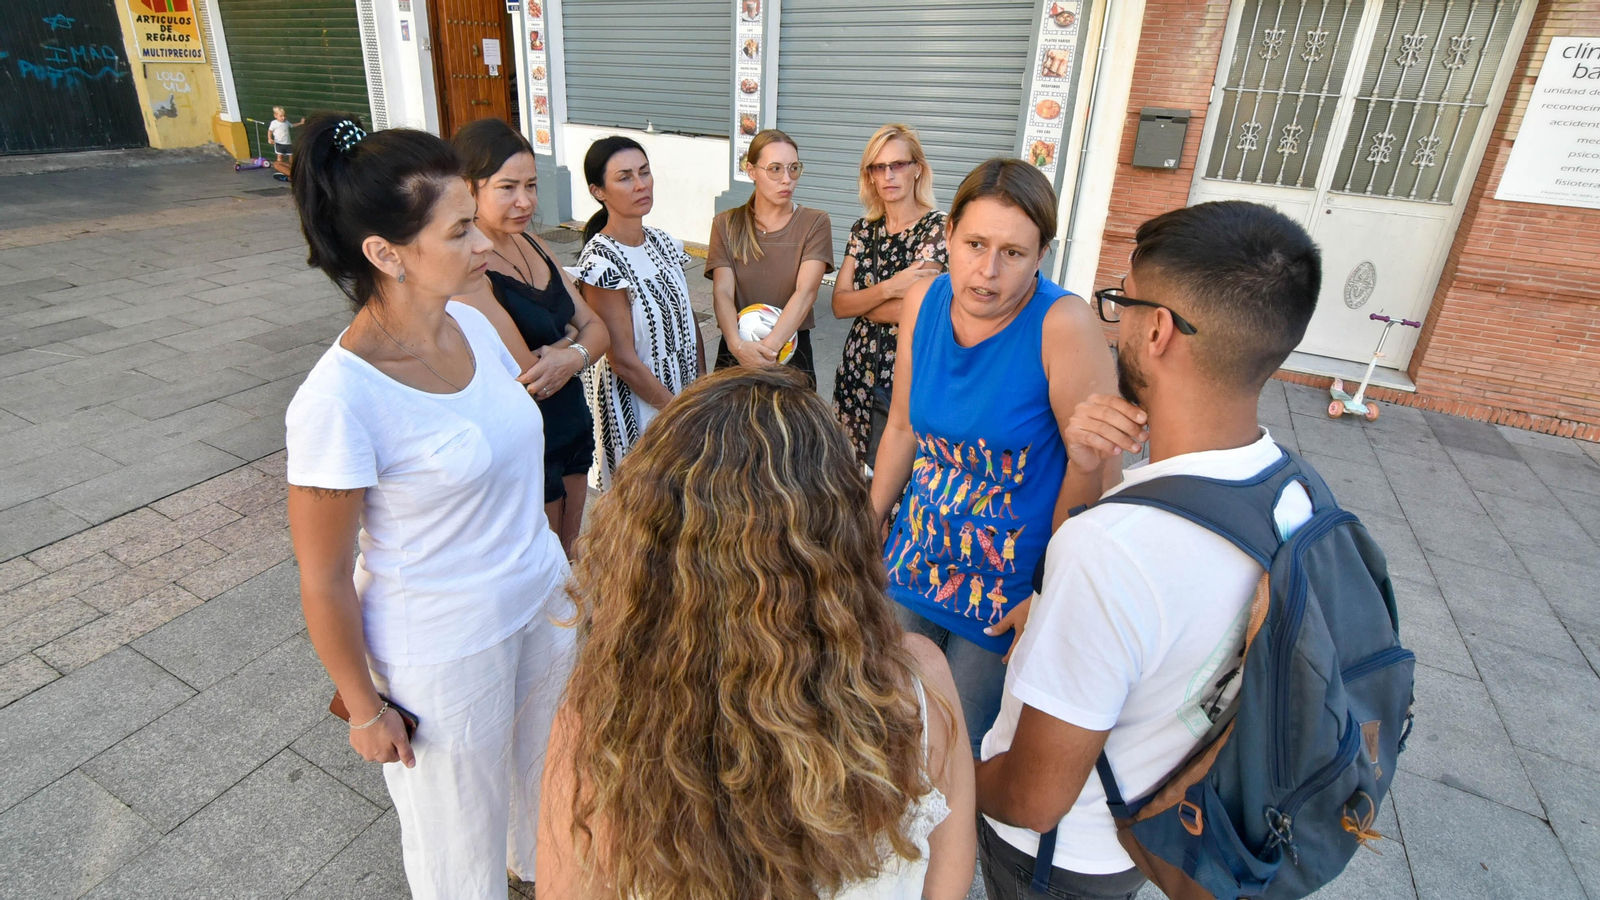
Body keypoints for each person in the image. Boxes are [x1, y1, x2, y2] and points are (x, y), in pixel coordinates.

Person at [973, 200, 1322, 900]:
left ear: (1157, 330)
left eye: (1121, 302)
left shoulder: (1114, 551)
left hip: (1053, 857)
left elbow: (1036, 798)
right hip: (1152, 831)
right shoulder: (1294, 491)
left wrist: (946, 770)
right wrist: (1081, 465)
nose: (1115, 322)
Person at [536, 366, 977, 900]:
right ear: (839, 534)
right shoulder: (921, 681)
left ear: (645, 544)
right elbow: (947, 887)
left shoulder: (604, 724)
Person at [282, 115, 573, 899]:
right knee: (457, 852)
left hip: (540, 603)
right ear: (386, 253)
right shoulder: (339, 400)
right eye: (458, 232)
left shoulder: (474, 323)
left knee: (548, 800)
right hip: (446, 651)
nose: (484, 246)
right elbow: (324, 577)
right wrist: (365, 707)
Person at [869, 158, 1120, 756]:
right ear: (948, 235)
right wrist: (869, 517)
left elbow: (1100, 470)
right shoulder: (923, 300)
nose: (987, 271)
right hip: (915, 558)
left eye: (1013, 252)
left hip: (1009, 589)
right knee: (890, 729)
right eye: (975, 243)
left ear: (1041, 256)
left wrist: (1051, 592)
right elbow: (902, 423)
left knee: (956, 753)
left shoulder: (1063, 324)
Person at [450, 117, 610, 556]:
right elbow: (530, 374)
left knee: (572, 555)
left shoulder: (535, 245)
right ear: (468, 188)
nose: (525, 201)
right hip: (527, 442)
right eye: (507, 188)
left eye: (531, 185)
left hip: (572, 424)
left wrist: (569, 354)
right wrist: (575, 345)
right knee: (543, 565)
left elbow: (601, 329)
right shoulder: (470, 268)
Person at [572, 136, 704, 490]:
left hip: (682, 396)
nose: (641, 184)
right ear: (598, 191)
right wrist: (677, 411)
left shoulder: (663, 242)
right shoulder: (601, 262)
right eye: (625, 177)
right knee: (643, 514)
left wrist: (703, 391)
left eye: (644, 172)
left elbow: (687, 319)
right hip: (639, 407)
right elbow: (623, 361)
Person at [832, 124, 948, 470]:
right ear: (869, 176)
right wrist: (891, 287)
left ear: (917, 169)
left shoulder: (938, 228)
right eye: (879, 167)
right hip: (855, 374)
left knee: (891, 482)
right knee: (847, 475)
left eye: (898, 164)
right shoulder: (863, 230)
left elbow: (916, 309)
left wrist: (865, 301)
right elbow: (838, 304)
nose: (889, 175)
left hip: (905, 376)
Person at [707, 129, 833, 387]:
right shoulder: (726, 224)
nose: (786, 179)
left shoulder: (815, 222)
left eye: (793, 168)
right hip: (737, 347)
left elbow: (806, 292)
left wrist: (770, 350)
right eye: (775, 169)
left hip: (791, 350)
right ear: (752, 171)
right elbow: (722, 291)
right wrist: (737, 346)